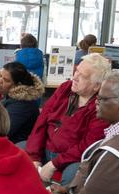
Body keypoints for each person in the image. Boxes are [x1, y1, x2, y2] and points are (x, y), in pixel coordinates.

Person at [24, 53, 111, 186]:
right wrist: (33, 156)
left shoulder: (101, 107)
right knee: (16, 151)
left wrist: (54, 163)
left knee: (72, 176)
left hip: (73, 159)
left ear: (96, 86)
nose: (75, 77)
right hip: (45, 148)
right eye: (76, 70)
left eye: (82, 76)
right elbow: (41, 122)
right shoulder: (65, 88)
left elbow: (86, 146)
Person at [0, 62, 44, 143]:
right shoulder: (8, 95)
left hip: (14, 147)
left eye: (6, 80)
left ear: (17, 85)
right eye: (0, 76)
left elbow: (1, 132)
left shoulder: (22, 105)